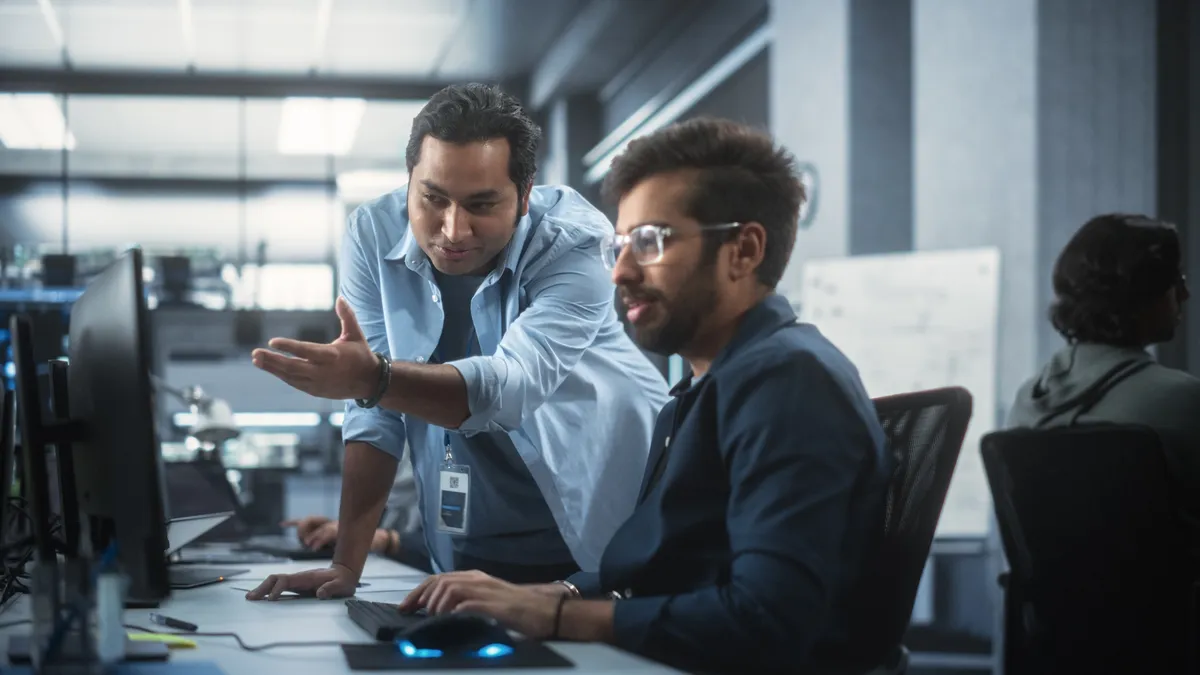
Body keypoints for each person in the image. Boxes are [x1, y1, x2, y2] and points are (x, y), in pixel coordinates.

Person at [395, 118, 895, 674]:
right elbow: (662, 569)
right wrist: (549, 592)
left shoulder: (788, 383)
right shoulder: (706, 388)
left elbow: (767, 620)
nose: (622, 272)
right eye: (621, 244)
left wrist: (560, 619)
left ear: (745, 250)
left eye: (652, 241)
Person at [245, 83, 670, 600]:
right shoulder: (372, 234)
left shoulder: (575, 243)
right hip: (471, 537)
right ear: (410, 181)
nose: (453, 229)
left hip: (589, 526)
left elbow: (509, 390)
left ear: (526, 192)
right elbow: (375, 412)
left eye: (481, 204)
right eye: (433, 198)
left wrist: (375, 378)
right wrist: (345, 567)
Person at [1008, 213, 1200, 512]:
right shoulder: (1183, 399)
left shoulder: (1025, 402)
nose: (1185, 295)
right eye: (1175, 282)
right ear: (1141, 296)